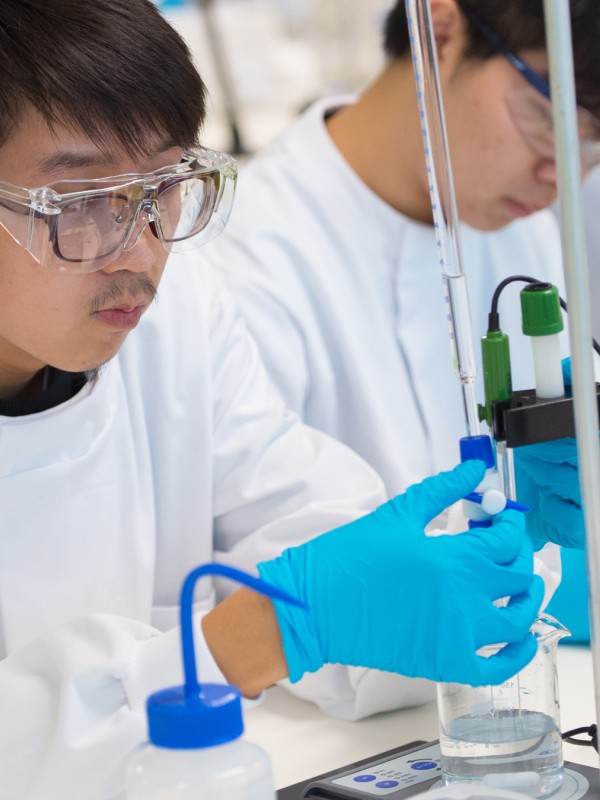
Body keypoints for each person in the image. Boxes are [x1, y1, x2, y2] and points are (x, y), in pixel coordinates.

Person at [0, 2, 546, 798]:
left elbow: (312, 528)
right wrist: (242, 641)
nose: (142, 251)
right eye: (83, 201)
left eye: (166, 186)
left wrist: (455, 565)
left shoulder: (178, 320)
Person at [205, 0, 595, 610]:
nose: (558, 178)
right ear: (439, 30)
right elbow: (255, 591)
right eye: (547, 122)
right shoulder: (243, 258)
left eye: (590, 147)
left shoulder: (515, 228)